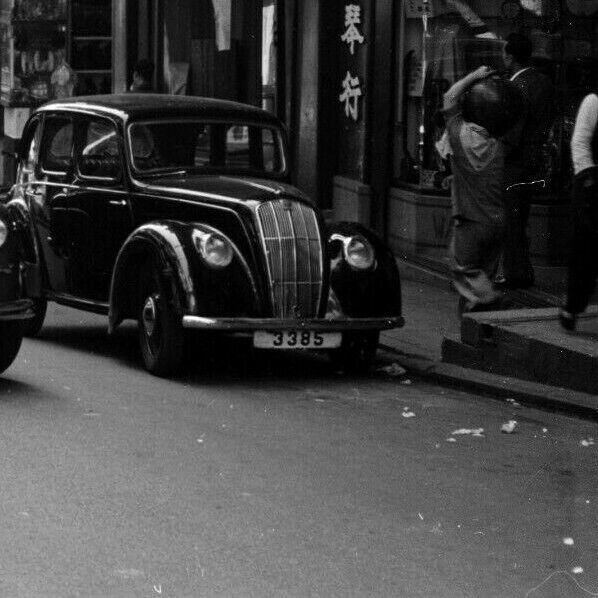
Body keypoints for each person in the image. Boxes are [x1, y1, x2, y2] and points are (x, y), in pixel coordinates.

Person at [440, 67, 519, 314]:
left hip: (471, 221)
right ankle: (478, 326)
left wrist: (474, 75)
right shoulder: (497, 145)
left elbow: (449, 97)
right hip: (496, 222)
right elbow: (477, 176)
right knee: (483, 274)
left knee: (463, 266)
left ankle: (491, 298)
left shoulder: (459, 136)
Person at [498, 33, 555, 290]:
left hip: (515, 161)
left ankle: (516, 273)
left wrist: (497, 153)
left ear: (510, 56)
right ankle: (521, 270)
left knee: (512, 218)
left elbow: (513, 130)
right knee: (520, 217)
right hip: (534, 159)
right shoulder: (543, 82)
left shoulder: (516, 87)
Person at [559, 93, 598, 331]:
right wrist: (588, 178)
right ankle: (572, 306)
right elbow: (580, 142)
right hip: (592, 184)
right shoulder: (594, 101)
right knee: (584, 248)